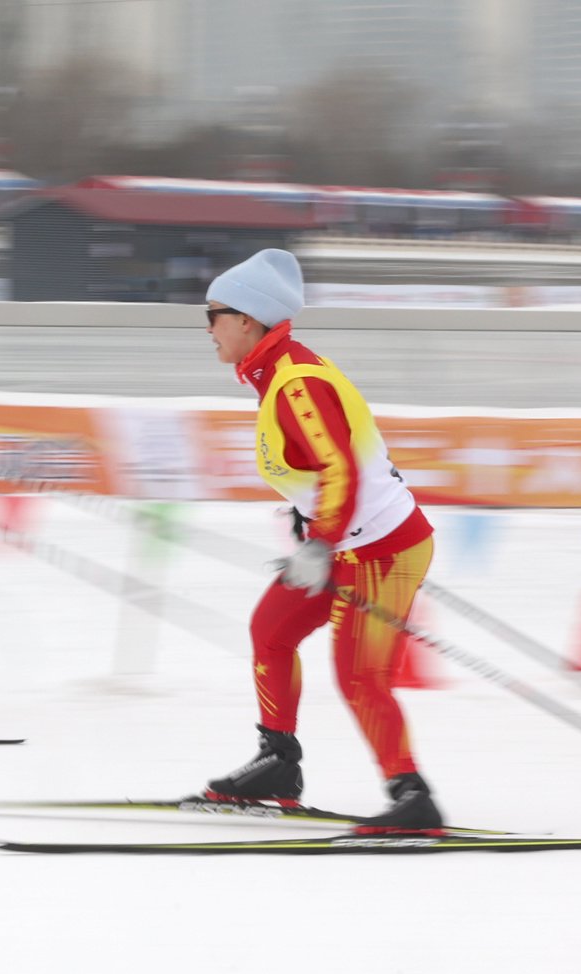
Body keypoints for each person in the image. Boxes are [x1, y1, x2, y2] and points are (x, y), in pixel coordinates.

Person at [198, 248, 443, 834]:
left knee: (360, 675)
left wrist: (318, 542)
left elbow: (340, 469)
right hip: (343, 544)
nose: (206, 329)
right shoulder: (277, 373)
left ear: (247, 320)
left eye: (212, 315)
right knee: (271, 630)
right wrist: (309, 526)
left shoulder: (294, 382)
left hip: (384, 547)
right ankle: (278, 761)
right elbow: (321, 469)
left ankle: (413, 798)